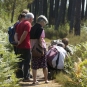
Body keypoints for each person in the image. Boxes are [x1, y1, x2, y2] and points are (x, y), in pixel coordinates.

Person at [14, 13, 34, 81]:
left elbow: (15, 34)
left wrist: (17, 42)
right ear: (30, 18)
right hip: (26, 45)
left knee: (20, 61)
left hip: (19, 46)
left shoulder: (20, 23)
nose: (32, 21)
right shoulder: (28, 24)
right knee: (27, 62)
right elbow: (25, 34)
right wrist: (20, 42)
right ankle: (26, 77)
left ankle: (18, 75)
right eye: (32, 19)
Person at [30, 15, 49, 84]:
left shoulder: (32, 28)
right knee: (44, 64)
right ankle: (46, 80)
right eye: (44, 22)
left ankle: (34, 80)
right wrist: (42, 49)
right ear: (41, 21)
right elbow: (40, 39)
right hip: (41, 48)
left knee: (34, 65)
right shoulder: (41, 29)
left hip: (33, 48)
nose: (44, 24)